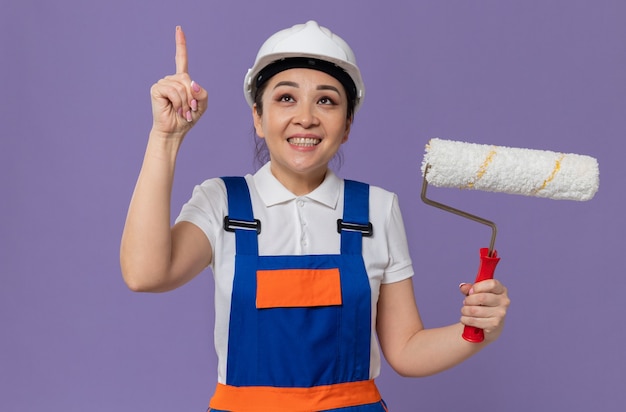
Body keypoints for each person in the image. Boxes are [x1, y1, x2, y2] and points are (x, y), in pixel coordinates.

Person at [120, 21, 510, 412]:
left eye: (326, 101)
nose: (305, 117)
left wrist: (476, 329)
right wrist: (166, 138)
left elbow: (406, 350)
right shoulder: (222, 202)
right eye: (286, 98)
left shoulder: (377, 209)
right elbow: (144, 273)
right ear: (258, 117)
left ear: (347, 126)